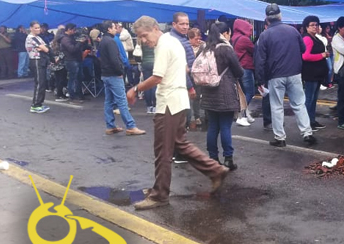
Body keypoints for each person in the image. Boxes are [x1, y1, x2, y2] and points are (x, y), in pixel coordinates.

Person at [127, 16, 229, 210]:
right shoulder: (173, 42)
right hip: (178, 101)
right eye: (140, 37)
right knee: (179, 144)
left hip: (169, 103)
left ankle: (159, 195)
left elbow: (157, 77)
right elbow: (184, 68)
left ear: (155, 28)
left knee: (163, 151)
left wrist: (135, 89)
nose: (143, 40)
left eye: (144, 35)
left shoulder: (164, 45)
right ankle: (215, 170)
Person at [254, 4, 316, 147]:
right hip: (294, 73)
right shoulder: (292, 31)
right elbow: (303, 49)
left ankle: (280, 138)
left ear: (267, 19)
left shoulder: (264, 35)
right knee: (299, 104)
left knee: (276, 106)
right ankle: (307, 133)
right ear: (280, 16)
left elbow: (260, 60)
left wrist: (260, 80)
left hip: (275, 75)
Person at [199, 22, 243, 170]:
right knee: (225, 126)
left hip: (208, 93)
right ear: (225, 33)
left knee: (212, 126)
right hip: (225, 94)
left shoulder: (205, 49)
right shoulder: (226, 49)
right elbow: (239, 71)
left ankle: (213, 158)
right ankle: (228, 159)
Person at [99, 20, 145, 136]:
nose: (116, 29)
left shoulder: (103, 41)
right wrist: (120, 71)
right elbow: (115, 59)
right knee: (122, 101)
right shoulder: (111, 41)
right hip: (114, 75)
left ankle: (110, 125)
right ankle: (130, 126)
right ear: (109, 29)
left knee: (109, 101)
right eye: (114, 27)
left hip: (106, 74)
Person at [301, 15, 329, 131]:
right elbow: (305, 56)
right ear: (306, 27)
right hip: (310, 73)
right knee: (309, 99)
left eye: (316, 25)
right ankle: (306, 123)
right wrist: (321, 55)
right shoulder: (307, 38)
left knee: (313, 99)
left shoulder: (315, 38)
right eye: (312, 25)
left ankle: (312, 120)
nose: (315, 27)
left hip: (317, 73)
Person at [232, 19, 255, 126]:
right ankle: (241, 115)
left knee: (242, 93)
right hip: (246, 67)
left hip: (238, 68)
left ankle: (246, 114)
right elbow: (254, 50)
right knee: (249, 92)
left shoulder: (234, 37)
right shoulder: (244, 39)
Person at [25, 21, 50, 113]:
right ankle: (35, 105)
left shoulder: (38, 37)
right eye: (35, 28)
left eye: (39, 27)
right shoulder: (31, 38)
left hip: (41, 60)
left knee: (42, 83)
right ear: (31, 28)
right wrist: (43, 48)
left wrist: (44, 48)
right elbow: (46, 49)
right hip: (35, 60)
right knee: (39, 83)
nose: (38, 29)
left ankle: (39, 104)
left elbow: (47, 47)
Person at [60, 24, 85, 104]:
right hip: (71, 60)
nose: (75, 31)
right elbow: (72, 49)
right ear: (69, 29)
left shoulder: (71, 37)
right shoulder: (65, 39)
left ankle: (79, 94)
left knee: (79, 78)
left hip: (77, 59)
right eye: (73, 30)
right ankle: (72, 96)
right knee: (72, 79)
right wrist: (79, 43)